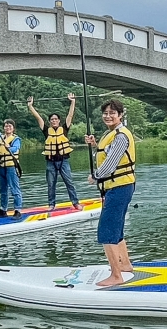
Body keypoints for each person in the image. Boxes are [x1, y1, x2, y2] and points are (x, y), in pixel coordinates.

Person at [83, 99, 137, 287]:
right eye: (105, 113)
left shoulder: (121, 135)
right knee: (117, 229)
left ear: (120, 115)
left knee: (106, 231)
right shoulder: (111, 134)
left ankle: (116, 276)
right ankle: (125, 265)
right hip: (120, 187)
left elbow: (110, 165)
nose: (108, 116)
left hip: (119, 188)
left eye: (112, 113)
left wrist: (95, 177)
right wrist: (95, 144)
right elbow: (106, 155)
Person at [27, 93, 82, 211]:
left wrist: (72, 102)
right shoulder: (46, 130)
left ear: (59, 120)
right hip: (51, 162)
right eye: (52, 119)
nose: (54, 121)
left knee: (69, 182)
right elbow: (38, 118)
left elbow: (70, 115)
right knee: (51, 184)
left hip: (64, 161)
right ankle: (51, 205)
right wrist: (31, 106)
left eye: (56, 119)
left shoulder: (65, 128)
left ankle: (75, 203)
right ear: (50, 121)